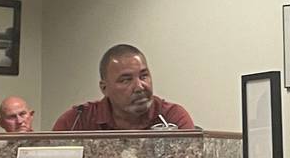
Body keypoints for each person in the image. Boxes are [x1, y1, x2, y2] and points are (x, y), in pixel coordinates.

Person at [52, 44, 194, 131]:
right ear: (104, 88)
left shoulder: (173, 117)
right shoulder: (77, 121)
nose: (139, 87)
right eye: (126, 80)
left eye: (144, 76)